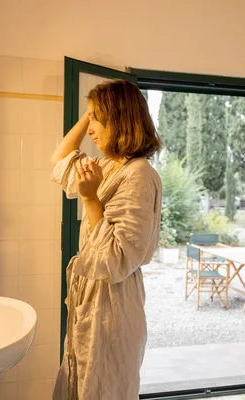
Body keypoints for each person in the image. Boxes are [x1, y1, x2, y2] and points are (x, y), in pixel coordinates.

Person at [50, 79, 163, 400]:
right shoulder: (109, 166)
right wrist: (91, 110)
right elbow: (59, 159)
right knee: (83, 384)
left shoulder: (138, 175)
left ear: (119, 120)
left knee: (103, 390)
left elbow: (116, 260)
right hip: (94, 300)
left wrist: (89, 200)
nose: (89, 130)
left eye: (97, 119)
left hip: (112, 304)